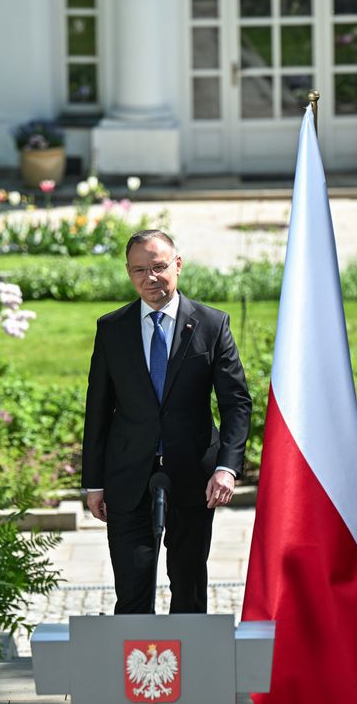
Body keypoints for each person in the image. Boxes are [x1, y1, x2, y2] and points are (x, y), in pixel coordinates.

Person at [82, 229, 251, 615]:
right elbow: (98, 409)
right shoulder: (112, 329)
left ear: (177, 265)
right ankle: (137, 676)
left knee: (189, 588)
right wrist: (94, 482)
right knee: (132, 590)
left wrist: (227, 467)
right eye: (139, 270)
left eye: (158, 267)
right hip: (127, 478)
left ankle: (192, 674)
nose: (150, 278)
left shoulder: (211, 324)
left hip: (193, 477)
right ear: (129, 273)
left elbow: (236, 402)